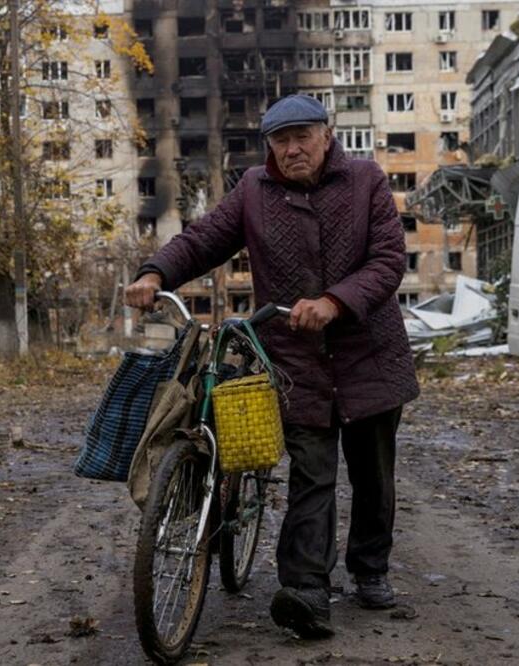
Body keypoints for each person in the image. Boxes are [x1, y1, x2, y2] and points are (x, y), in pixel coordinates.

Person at [124, 94, 420, 639]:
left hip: (368, 354)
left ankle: (370, 567)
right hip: (294, 360)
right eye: (280, 141)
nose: (292, 149)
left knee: (373, 473)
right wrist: (155, 273)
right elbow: (203, 239)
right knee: (313, 474)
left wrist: (334, 302)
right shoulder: (255, 191)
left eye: (302, 136)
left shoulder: (366, 181)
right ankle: (307, 590)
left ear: (326, 135)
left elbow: (387, 262)